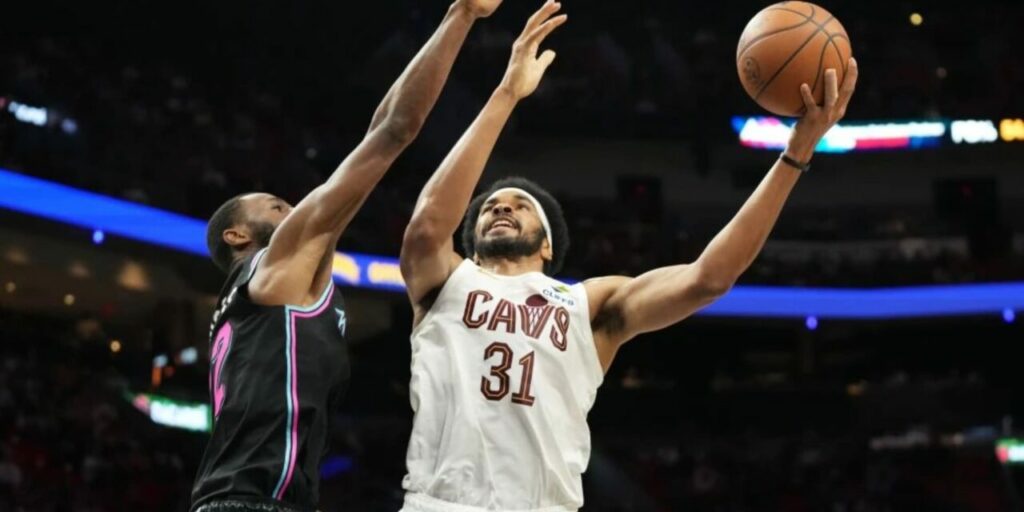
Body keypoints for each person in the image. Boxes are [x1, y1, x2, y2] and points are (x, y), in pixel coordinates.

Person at [397, 0, 860, 509]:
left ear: (548, 244)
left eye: (519, 205)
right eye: (488, 208)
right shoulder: (445, 282)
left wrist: (797, 152)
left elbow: (709, 278)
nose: (500, 207)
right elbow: (425, 229)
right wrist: (507, 94)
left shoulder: (588, 306)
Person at [189, 1, 506, 510]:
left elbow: (380, 127)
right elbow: (396, 130)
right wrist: (462, 16)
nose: (293, 208)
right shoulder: (275, 270)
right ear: (236, 236)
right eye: (277, 206)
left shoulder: (250, 304)